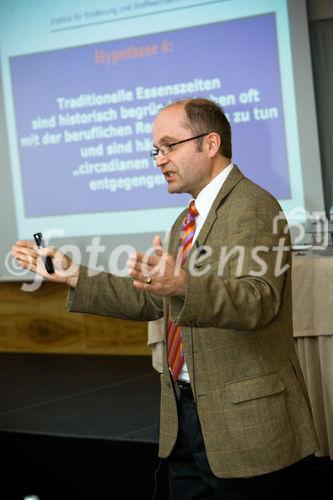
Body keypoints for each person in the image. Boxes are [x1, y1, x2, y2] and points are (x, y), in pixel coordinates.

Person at [12, 98, 318, 499]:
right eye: (156, 149)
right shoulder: (186, 220)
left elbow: (257, 300)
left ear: (209, 144)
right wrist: (73, 274)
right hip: (187, 418)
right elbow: (153, 301)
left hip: (243, 424)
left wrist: (184, 285)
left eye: (169, 146)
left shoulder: (254, 207)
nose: (159, 159)